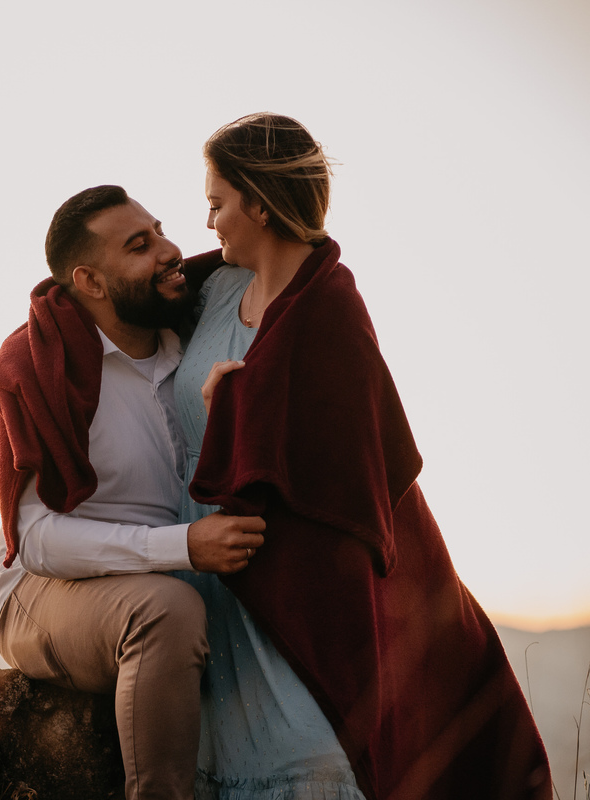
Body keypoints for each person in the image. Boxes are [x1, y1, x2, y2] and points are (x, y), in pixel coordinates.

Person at [173, 113, 550, 799]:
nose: (207, 222)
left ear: (258, 203)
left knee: (310, 765)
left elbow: (345, 473)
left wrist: (237, 404)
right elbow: (117, 300)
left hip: (280, 582)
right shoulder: (213, 291)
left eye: (217, 203)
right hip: (200, 572)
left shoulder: (330, 307)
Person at [0, 185, 266, 800]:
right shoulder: (39, 367)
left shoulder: (195, 347)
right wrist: (183, 546)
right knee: (164, 611)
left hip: (182, 565)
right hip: (43, 591)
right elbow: (36, 540)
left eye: (160, 231)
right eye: (140, 246)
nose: (170, 252)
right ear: (91, 281)